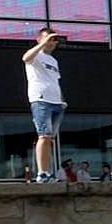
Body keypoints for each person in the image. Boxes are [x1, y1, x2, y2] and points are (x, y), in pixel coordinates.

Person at [22, 27, 65, 184]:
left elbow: (55, 81)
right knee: (43, 135)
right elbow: (26, 58)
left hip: (56, 102)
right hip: (41, 99)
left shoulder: (54, 61)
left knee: (50, 139)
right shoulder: (36, 56)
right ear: (39, 39)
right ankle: (41, 173)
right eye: (49, 39)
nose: (51, 42)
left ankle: (47, 172)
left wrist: (62, 99)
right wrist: (42, 44)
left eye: (54, 40)